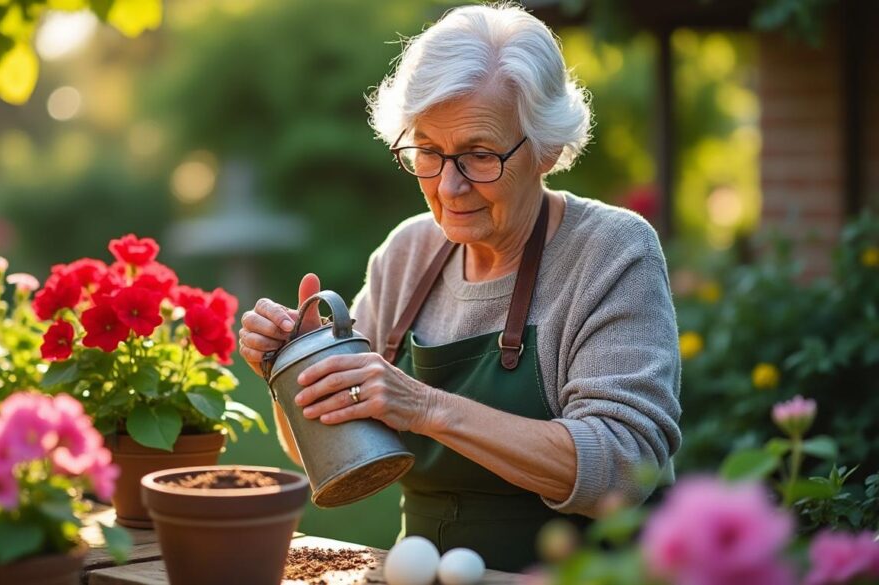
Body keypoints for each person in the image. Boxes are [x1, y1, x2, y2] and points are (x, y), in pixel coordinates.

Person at [238, 3, 681, 572]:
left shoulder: (611, 252)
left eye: (479, 155)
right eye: (428, 151)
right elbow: (339, 453)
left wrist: (425, 406)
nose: (449, 186)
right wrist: (291, 370)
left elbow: (623, 469)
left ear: (545, 149)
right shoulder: (408, 253)